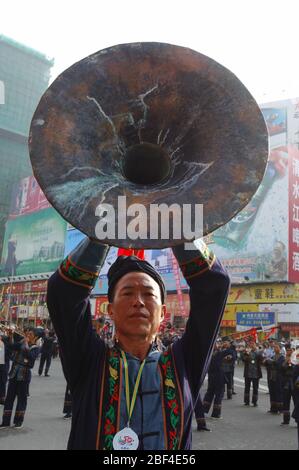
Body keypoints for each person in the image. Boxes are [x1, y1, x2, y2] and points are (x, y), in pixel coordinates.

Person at [47, 237, 230, 450]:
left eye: (148, 294)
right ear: (110, 311)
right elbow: (64, 291)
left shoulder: (184, 362)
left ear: (162, 313)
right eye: (127, 293)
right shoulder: (89, 361)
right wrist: (100, 235)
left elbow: (214, 286)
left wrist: (181, 233)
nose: (138, 301)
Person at [0, 328, 41, 429]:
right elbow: (11, 346)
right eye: (28, 333)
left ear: (36, 337)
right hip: (14, 373)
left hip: (24, 375)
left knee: (21, 399)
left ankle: (18, 421)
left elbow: (30, 356)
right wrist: (10, 336)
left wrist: (25, 343)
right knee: (9, 398)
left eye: (31, 334)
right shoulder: (21, 343)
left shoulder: (36, 348)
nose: (28, 335)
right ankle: (5, 422)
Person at [202, 340, 232, 419]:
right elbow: (230, 351)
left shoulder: (208, 353)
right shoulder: (219, 353)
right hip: (219, 376)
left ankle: (203, 410)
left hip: (211, 376)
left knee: (209, 393)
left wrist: (221, 347)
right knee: (219, 394)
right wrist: (226, 345)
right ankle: (216, 414)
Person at [264, 342, 284, 414]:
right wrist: (266, 362)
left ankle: (280, 409)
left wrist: (272, 362)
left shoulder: (282, 357)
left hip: (278, 378)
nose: (275, 349)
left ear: (280, 349)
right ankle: (273, 408)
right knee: (272, 392)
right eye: (274, 347)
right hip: (271, 377)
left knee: (279, 393)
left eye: (277, 347)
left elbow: (279, 366)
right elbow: (268, 366)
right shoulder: (272, 356)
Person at [241, 341, 263, 407]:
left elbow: (261, 359)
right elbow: (243, 359)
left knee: (255, 388)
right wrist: (246, 353)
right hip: (248, 372)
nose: (251, 345)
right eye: (250, 344)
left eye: (253, 344)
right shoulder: (247, 352)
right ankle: (246, 401)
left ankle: (254, 401)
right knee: (247, 387)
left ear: (255, 345)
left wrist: (257, 351)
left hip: (256, 373)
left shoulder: (258, 352)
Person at [280, 347, 296, 425]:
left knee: (296, 402)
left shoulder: (295, 360)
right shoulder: (284, 360)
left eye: (290, 351)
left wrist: (291, 363)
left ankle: (297, 420)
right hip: (286, 384)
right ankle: (286, 420)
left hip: (294, 384)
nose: (289, 352)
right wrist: (286, 362)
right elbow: (282, 370)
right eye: (288, 351)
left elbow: (295, 370)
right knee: (285, 402)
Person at [0, 330, 10, 405]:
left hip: (4, 364)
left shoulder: (6, 340)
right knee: (3, 380)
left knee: (3, 380)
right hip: (4, 364)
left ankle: (2, 397)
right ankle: (2, 397)